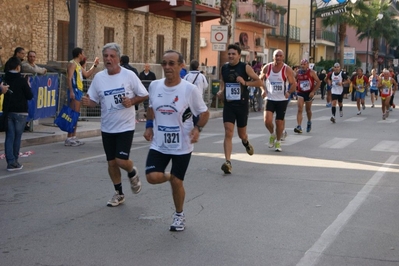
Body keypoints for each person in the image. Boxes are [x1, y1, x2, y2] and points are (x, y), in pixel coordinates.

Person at [143, 50, 209, 231]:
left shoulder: (189, 89)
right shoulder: (155, 86)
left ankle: (179, 214)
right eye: (164, 63)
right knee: (152, 177)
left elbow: (204, 113)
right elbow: (151, 108)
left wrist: (197, 128)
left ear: (181, 66)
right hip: (159, 143)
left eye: (172, 63)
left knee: (177, 183)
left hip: (182, 144)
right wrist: (149, 126)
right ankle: (172, 177)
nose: (167, 67)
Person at [81, 42, 149, 207]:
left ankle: (132, 172)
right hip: (107, 127)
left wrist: (131, 101)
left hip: (125, 125)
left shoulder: (129, 76)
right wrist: (86, 102)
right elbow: (94, 101)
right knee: (111, 163)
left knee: (121, 160)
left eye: (112, 56)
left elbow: (144, 95)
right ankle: (119, 193)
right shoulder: (99, 78)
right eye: (106, 56)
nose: (108, 59)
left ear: (118, 58)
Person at [216, 43, 261, 173]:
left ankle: (246, 142)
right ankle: (228, 162)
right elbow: (224, 84)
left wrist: (245, 82)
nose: (230, 56)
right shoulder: (224, 68)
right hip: (229, 105)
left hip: (241, 105)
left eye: (233, 54)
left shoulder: (245, 67)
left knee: (242, 134)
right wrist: (221, 92)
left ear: (239, 55)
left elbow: (259, 82)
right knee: (228, 132)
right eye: (229, 54)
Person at [260, 49, 296, 152]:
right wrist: (263, 90)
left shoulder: (287, 69)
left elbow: (293, 84)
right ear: (273, 57)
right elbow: (260, 79)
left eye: (280, 56)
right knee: (267, 121)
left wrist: (289, 92)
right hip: (270, 98)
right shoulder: (267, 67)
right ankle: (272, 134)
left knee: (279, 122)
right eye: (276, 56)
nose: (278, 58)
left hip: (282, 99)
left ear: (283, 57)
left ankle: (278, 141)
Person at [2, 57, 33, 171]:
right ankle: (15, 161)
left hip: (8, 111)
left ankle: (10, 162)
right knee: (17, 137)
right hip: (20, 111)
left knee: (9, 136)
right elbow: (29, 96)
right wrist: (28, 85)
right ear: (18, 67)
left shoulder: (5, 78)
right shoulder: (21, 79)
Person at [65, 47, 99, 146]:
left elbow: (87, 74)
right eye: (82, 53)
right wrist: (71, 91)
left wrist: (95, 65)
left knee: (76, 114)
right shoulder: (72, 64)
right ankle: (69, 137)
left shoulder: (78, 65)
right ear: (79, 54)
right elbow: (69, 78)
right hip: (75, 90)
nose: (84, 55)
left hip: (79, 90)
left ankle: (73, 136)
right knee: (73, 114)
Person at [294, 59, 321, 133]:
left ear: (308, 65)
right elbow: (294, 80)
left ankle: (309, 121)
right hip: (300, 92)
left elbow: (318, 82)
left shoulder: (311, 72)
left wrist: (313, 91)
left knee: (308, 110)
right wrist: (295, 88)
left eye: (304, 64)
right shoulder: (298, 72)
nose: (303, 66)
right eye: (301, 64)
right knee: (300, 109)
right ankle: (299, 126)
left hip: (309, 93)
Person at [183, 59, 209, 124]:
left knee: (188, 113)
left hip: (188, 98)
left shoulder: (187, 76)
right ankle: (196, 126)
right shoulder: (202, 76)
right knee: (196, 113)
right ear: (198, 67)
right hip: (199, 97)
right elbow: (205, 86)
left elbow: (183, 86)